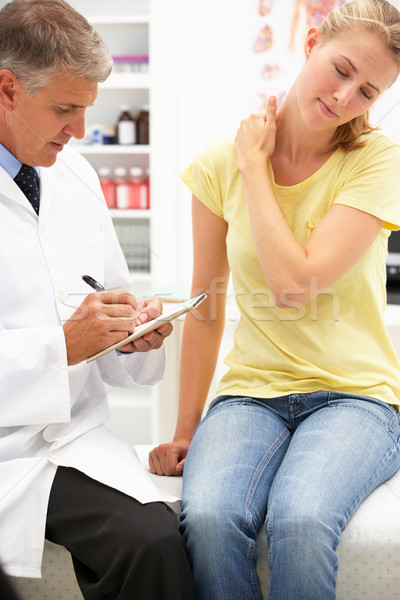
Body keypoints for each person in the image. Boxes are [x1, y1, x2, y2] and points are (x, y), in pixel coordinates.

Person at [149, 1, 400, 598]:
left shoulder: (376, 162)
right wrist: (185, 432)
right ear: (311, 41)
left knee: (302, 520)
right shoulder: (216, 166)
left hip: (356, 398)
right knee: (208, 520)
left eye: (368, 91)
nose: (345, 97)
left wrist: (256, 169)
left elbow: (294, 286)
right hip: (250, 396)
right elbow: (206, 306)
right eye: (341, 70)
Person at [0, 1, 197, 599]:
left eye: (87, 108)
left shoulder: (75, 176)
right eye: (65, 108)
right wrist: (62, 346)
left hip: (77, 439)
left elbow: (108, 327)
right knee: (149, 544)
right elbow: (67, 342)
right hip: (7, 452)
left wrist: (132, 335)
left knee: (168, 537)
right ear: (6, 88)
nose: (79, 129)